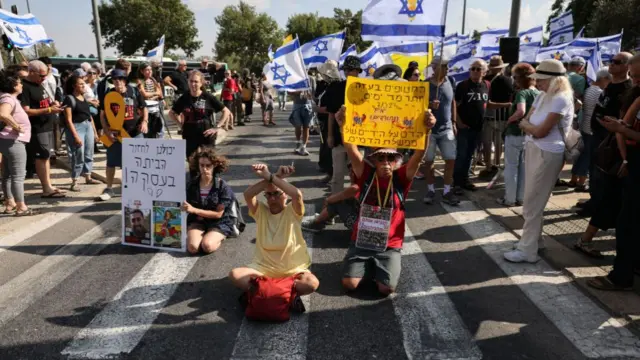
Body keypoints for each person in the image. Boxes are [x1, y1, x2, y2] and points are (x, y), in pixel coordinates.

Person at [333, 97, 437, 296]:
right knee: (349, 285)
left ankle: (381, 266)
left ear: (397, 161)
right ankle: (363, 263)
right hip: (362, 240)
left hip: (389, 244)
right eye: (381, 158)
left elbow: (419, 154)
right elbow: (351, 148)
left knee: (385, 289)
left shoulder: (402, 177)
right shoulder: (365, 173)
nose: (386, 162)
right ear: (374, 161)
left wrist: (427, 129)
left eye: (391, 158)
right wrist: (342, 125)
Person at [504, 59, 574, 263]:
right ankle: (534, 241)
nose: (537, 83)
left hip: (548, 153)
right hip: (535, 149)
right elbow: (529, 122)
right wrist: (531, 129)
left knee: (533, 202)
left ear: (554, 80)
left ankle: (528, 251)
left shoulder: (561, 98)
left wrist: (529, 128)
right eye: (537, 78)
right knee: (533, 199)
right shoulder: (544, 95)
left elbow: (539, 129)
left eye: (541, 79)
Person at [588, 54, 640, 291]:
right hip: (630, 162)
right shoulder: (634, 94)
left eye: (637, 75)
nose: (635, 79)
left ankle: (621, 276)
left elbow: (629, 130)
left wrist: (621, 130)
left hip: (635, 164)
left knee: (627, 222)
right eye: (633, 74)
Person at [229, 164, 319, 297]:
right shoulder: (261, 212)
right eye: (268, 195)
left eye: (277, 193)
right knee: (235, 275)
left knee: (311, 283)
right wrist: (274, 177)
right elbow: (247, 195)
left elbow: (297, 195)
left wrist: (272, 177)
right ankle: (282, 292)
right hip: (263, 270)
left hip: (293, 271)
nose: (272, 199)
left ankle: (267, 291)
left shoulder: (292, 211)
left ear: (286, 196)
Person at [98, 69, 148, 201]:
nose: (118, 82)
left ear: (125, 80)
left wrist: (145, 121)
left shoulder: (134, 91)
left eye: (120, 79)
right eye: (115, 80)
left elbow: (144, 108)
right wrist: (106, 131)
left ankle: (135, 187)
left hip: (135, 133)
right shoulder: (109, 94)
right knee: (111, 162)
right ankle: (109, 188)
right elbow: (102, 115)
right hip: (115, 133)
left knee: (137, 162)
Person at [21, 60, 66, 198]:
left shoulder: (39, 84)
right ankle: (46, 188)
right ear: (32, 72)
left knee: (47, 156)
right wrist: (48, 109)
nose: (43, 78)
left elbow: (45, 101)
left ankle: (48, 185)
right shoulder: (25, 87)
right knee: (41, 157)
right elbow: (26, 110)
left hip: (47, 125)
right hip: (37, 128)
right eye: (41, 75)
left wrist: (53, 104)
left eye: (45, 75)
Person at [498, 63, 539, 206]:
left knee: (511, 167)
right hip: (529, 134)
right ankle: (520, 198)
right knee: (523, 168)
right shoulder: (539, 93)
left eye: (515, 77)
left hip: (515, 132)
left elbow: (520, 111)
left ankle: (509, 199)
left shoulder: (522, 93)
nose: (514, 80)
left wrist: (510, 120)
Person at [182, 148, 237, 255]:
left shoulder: (222, 186)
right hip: (198, 221)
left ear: (214, 166)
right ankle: (204, 234)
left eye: (208, 166)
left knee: (207, 246)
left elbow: (218, 214)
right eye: (201, 165)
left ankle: (218, 236)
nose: (204, 169)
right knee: (193, 248)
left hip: (218, 223)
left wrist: (193, 210)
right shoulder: (191, 185)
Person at [169, 70, 231, 162]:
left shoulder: (208, 97)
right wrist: (180, 125)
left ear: (201, 83)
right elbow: (171, 113)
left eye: (196, 82)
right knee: (192, 162)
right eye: (191, 81)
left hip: (206, 133)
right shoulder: (184, 98)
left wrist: (217, 127)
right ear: (188, 82)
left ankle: (212, 176)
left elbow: (226, 111)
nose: (193, 84)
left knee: (209, 161)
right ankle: (194, 177)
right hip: (189, 133)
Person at [0, 72, 37, 216]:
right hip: (13, 141)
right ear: (14, 85)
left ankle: (10, 202)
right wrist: (16, 126)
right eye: (19, 82)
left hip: (8, 140)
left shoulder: (8, 98)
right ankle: (21, 207)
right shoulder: (8, 99)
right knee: (18, 175)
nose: (21, 84)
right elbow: (3, 114)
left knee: (8, 175)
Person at [62, 75, 100, 192]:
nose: (84, 86)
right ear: (74, 86)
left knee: (89, 153)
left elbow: (89, 116)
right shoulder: (69, 99)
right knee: (78, 154)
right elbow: (68, 119)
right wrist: (75, 136)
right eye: (81, 84)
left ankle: (88, 176)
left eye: (84, 84)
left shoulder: (83, 97)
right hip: (77, 127)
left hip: (87, 126)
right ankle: (75, 180)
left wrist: (94, 132)